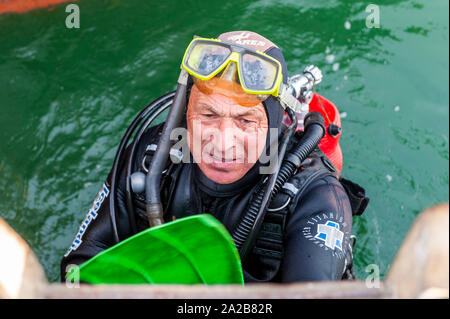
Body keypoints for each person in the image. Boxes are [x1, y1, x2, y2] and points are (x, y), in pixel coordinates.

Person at [61, 31, 368, 283]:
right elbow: (79, 266)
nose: (222, 143)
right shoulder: (153, 157)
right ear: (185, 112)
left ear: (274, 127)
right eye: (208, 113)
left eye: (245, 121)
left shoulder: (316, 197)